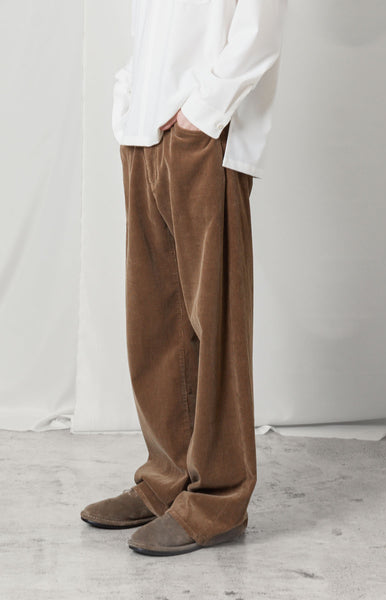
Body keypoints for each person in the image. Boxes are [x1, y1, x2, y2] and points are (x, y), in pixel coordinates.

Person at [80, 0, 286, 557]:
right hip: (145, 135)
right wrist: (128, 106)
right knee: (155, 321)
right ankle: (166, 480)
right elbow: (146, 31)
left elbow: (259, 32)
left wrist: (202, 114)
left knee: (214, 323)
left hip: (206, 137)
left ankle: (218, 499)